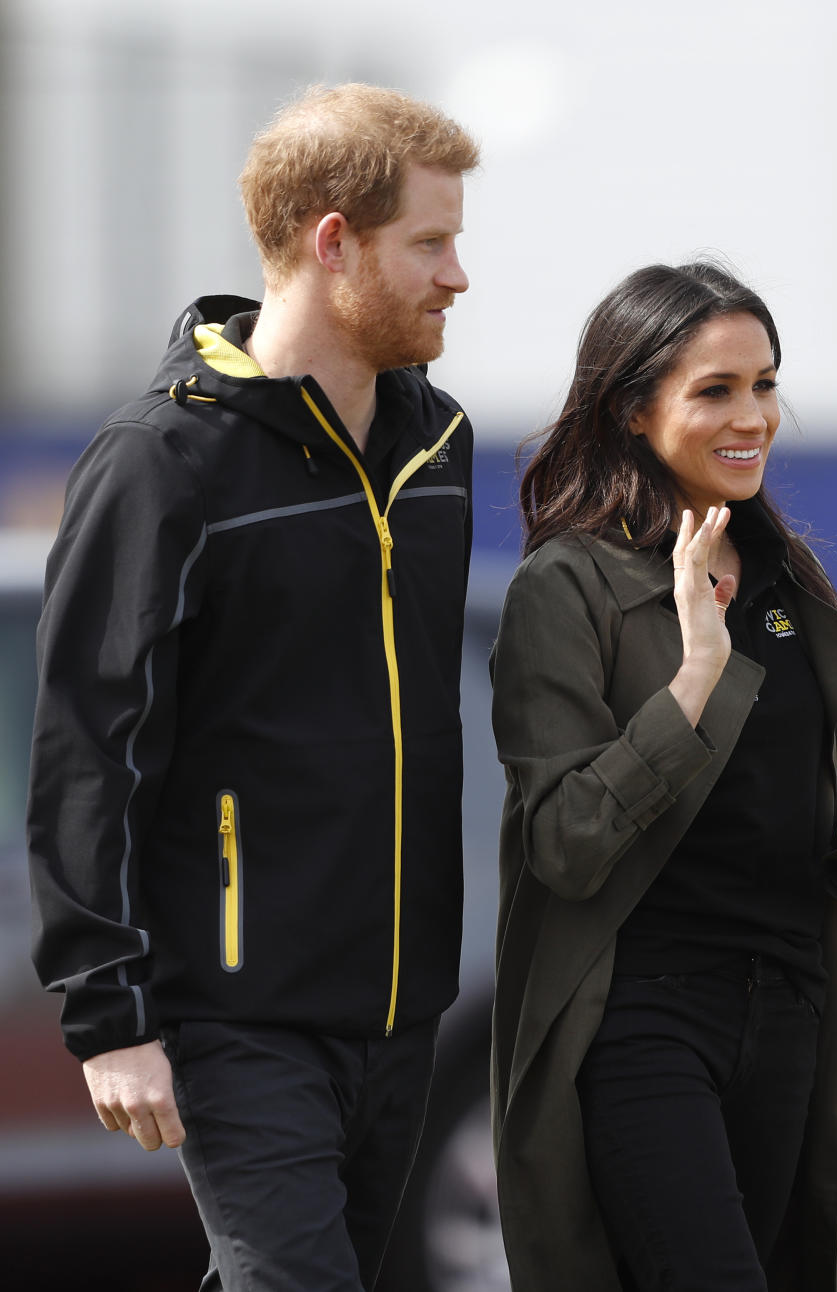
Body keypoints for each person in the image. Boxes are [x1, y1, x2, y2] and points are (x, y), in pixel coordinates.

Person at [27, 83, 479, 1292]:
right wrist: (106, 1007)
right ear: (335, 242)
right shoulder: (165, 458)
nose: (458, 276)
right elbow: (90, 741)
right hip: (237, 1008)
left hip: (404, 1004)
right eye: (430, 242)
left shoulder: (439, 448)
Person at [489, 262, 837, 1292]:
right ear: (634, 409)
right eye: (715, 389)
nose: (753, 414)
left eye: (764, 384)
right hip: (643, 1015)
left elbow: (833, 808)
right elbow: (564, 841)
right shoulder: (565, 585)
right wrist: (694, 683)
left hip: (791, 1014)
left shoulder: (784, 577)